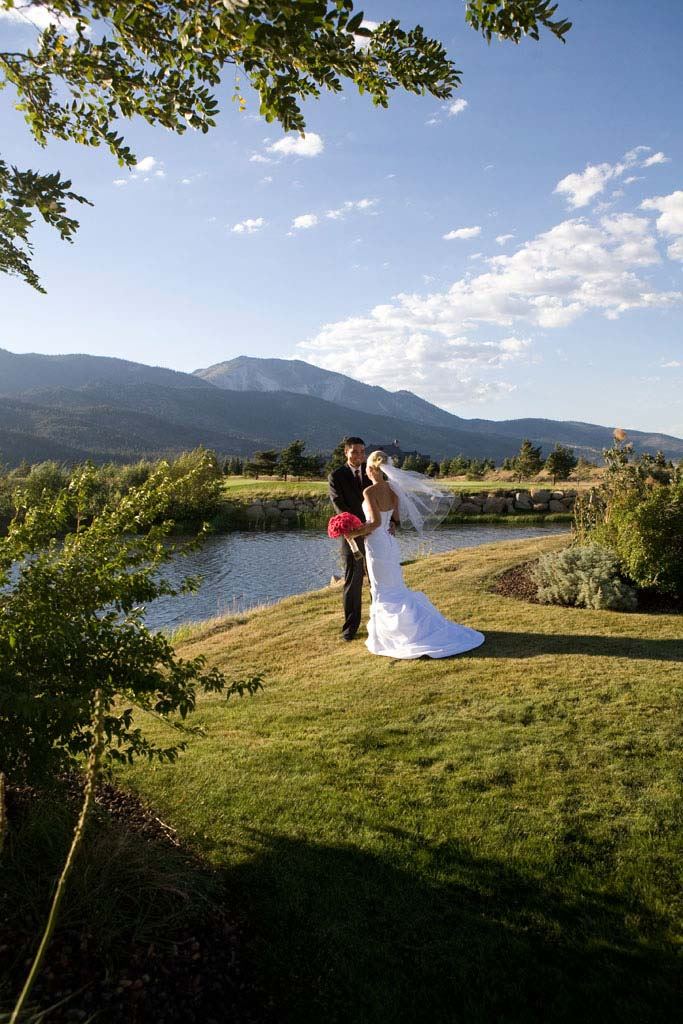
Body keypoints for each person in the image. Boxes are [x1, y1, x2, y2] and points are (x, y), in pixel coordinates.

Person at [346, 450, 485, 659]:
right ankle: (405, 628)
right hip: (391, 543)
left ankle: (393, 636)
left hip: (377, 543)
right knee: (394, 586)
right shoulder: (393, 490)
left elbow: (373, 523)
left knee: (382, 588)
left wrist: (352, 532)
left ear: (372, 468)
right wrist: (390, 524)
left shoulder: (369, 492)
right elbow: (395, 520)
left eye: (367, 466)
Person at [328, 436, 399, 641]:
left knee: (377, 579)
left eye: (362, 452)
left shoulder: (373, 472)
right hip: (353, 535)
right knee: (353, 579)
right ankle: (350, 628)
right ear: (346, 452)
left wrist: (392, 522)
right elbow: (340, 506)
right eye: (355, 452)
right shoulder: (336, 476)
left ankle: (379, 624)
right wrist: (359, 528)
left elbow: (387, 500)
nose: (359, 455)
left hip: (376, 535)